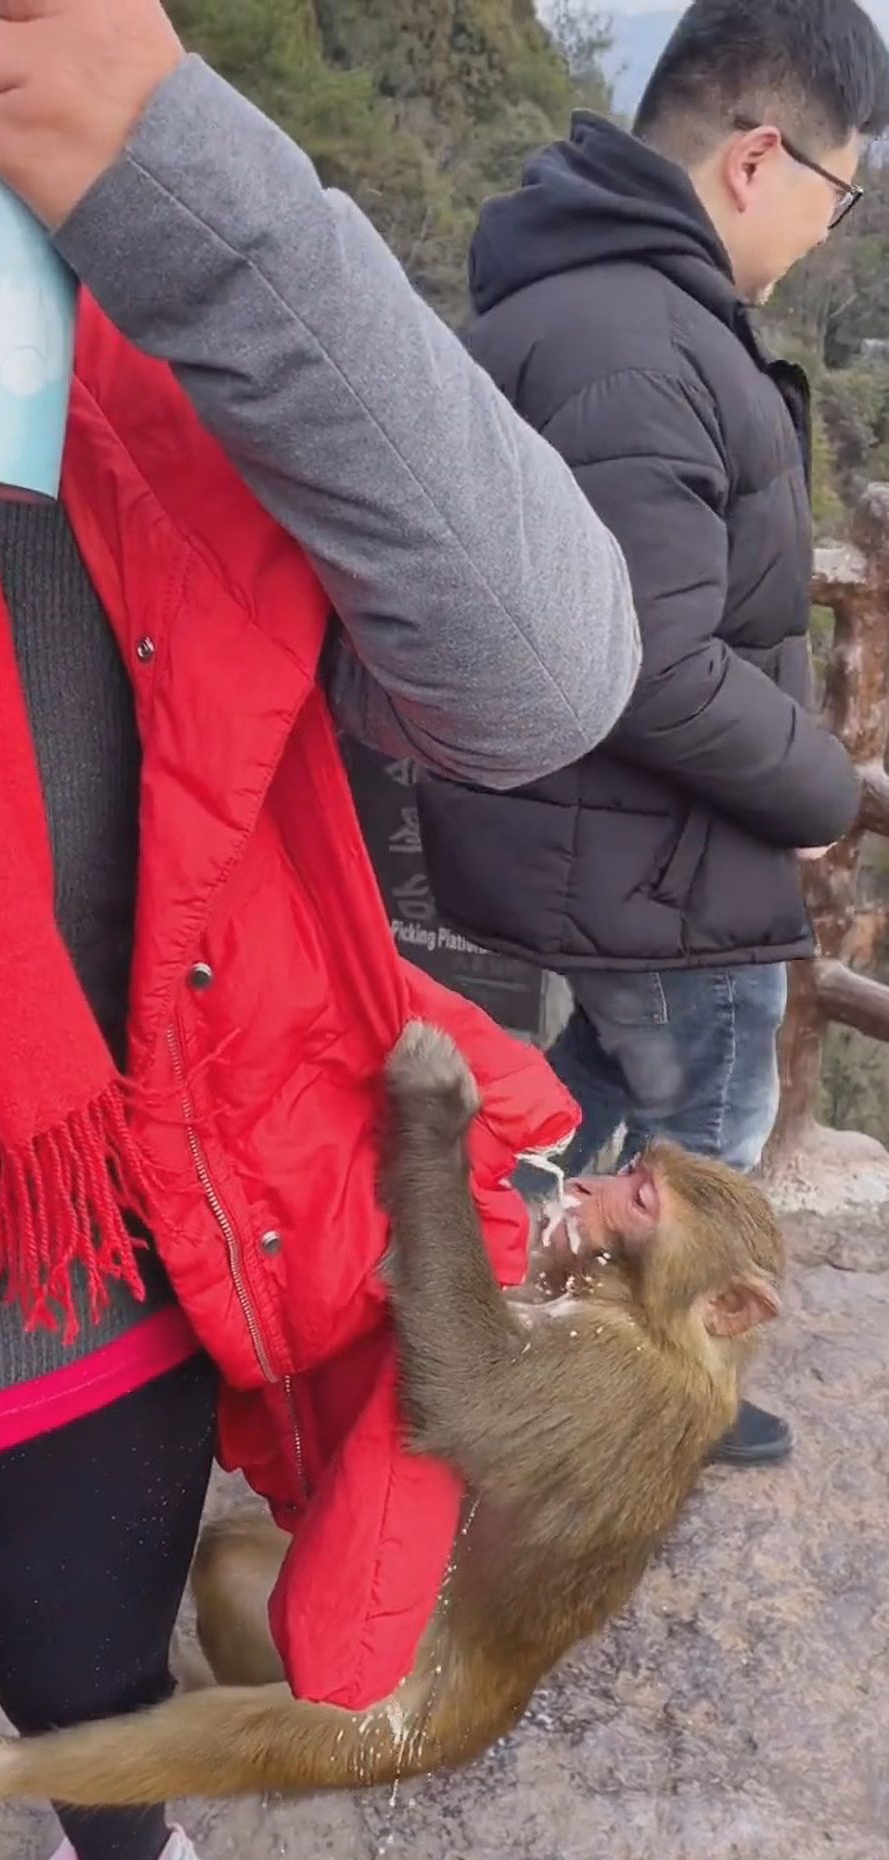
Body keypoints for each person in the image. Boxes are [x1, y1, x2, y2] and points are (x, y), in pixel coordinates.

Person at [0, 0, 640, 1860]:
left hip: (97, 1291)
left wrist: (172, 166)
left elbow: (544, 677)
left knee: (110, 1686)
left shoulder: (42, 293)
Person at [417, 0, 889, 1468]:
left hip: (594, 851)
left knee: (596, 1111)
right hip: (661, 872)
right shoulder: (640, 343)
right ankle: (644, 1409)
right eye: (843, 189)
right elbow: (657, 662)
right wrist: (823, 792)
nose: (833, 225)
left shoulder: (574, 302)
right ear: (760, 160)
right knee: (699, 1150)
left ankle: (523, 1349)